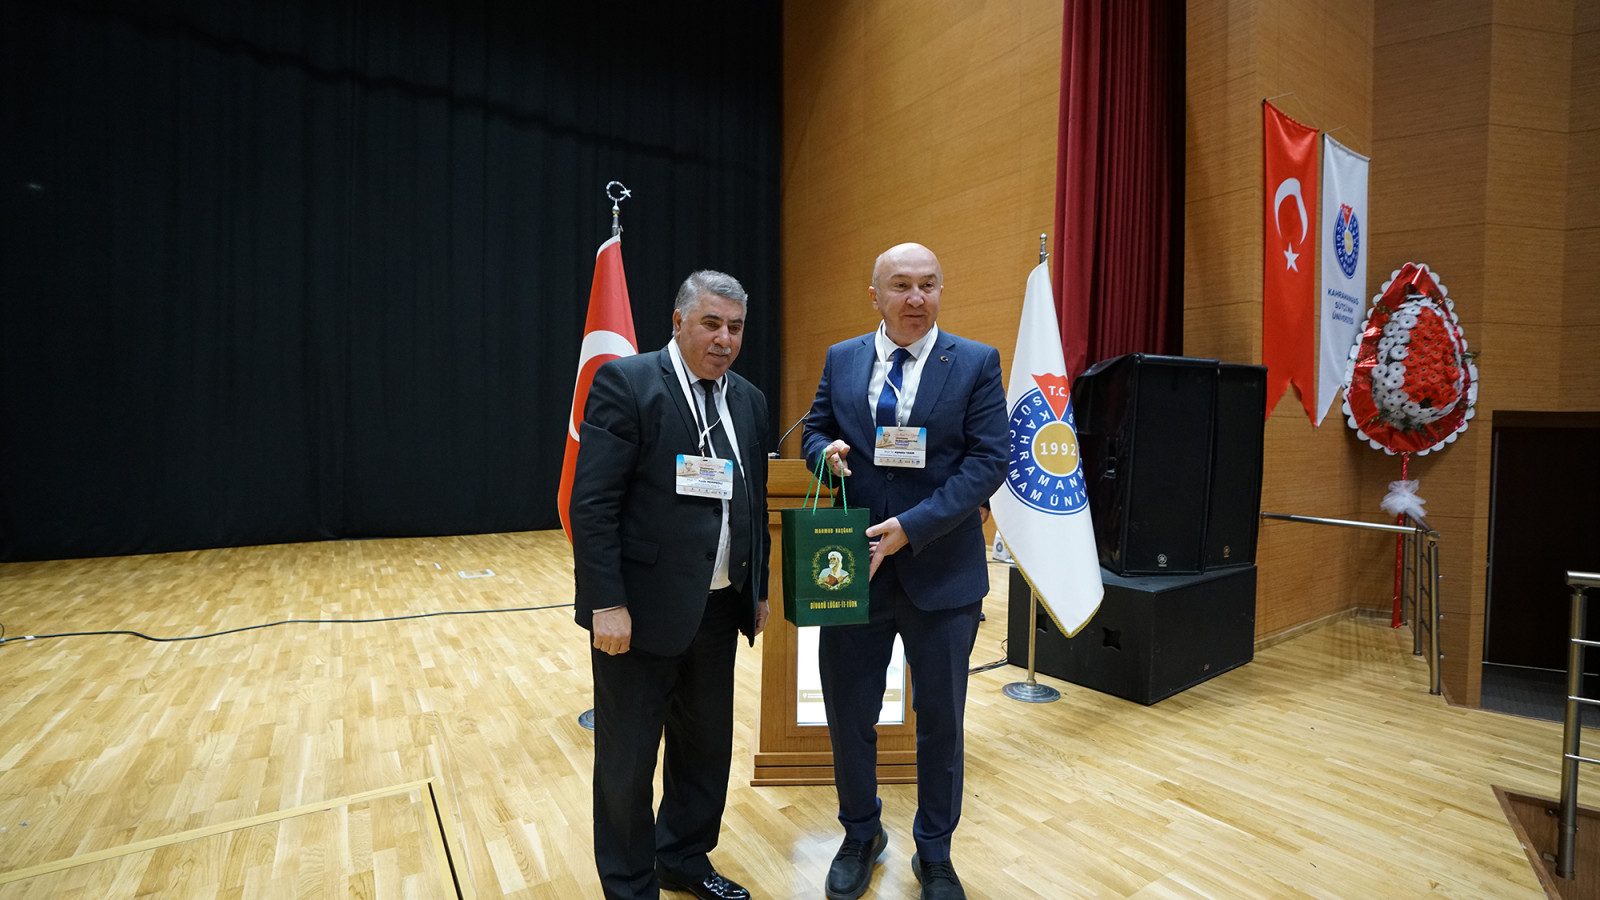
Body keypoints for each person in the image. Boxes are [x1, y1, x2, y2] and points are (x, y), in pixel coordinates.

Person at [801, 243, 1006, 900]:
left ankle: (935, 852)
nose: (916, 298)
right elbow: (813, 431)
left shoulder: (975, 362)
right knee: (848, 713)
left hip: (940, 575)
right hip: (852, 569)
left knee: (941, 722)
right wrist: (824, 452)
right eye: (901, 285)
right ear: (875, 295)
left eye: (928, 284)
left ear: (941, 289)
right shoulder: (843, 357)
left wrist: (911, 528)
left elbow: (988, 462)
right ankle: (861, 833)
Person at [571, 270, 771, 900]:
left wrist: (758, 590)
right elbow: (593, 505)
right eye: (711, 323)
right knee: (629, 762)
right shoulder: (628, 384)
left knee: (705, 750)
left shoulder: (749, 400)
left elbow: (754, 501)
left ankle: (682, 857)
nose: (724, 339)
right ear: (679, 321)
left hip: (718, 609)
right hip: (639, 613)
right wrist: (607, 602)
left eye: (735, 327)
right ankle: (630, 886)